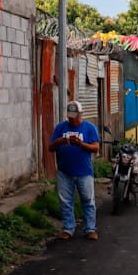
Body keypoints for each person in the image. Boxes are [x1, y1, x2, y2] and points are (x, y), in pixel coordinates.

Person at [49, 101, 100, 240]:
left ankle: (90, 229)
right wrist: (61, 141)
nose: (72, 119)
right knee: (65, 201)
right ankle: (68, 228)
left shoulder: (89, 128)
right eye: (70, 116)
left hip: (84, 171)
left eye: (75, 116)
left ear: (80, 114)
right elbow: (51, 147)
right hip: (64, 171)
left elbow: (96, 148)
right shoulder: (61, 127)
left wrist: (81, 144)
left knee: (88, 200)